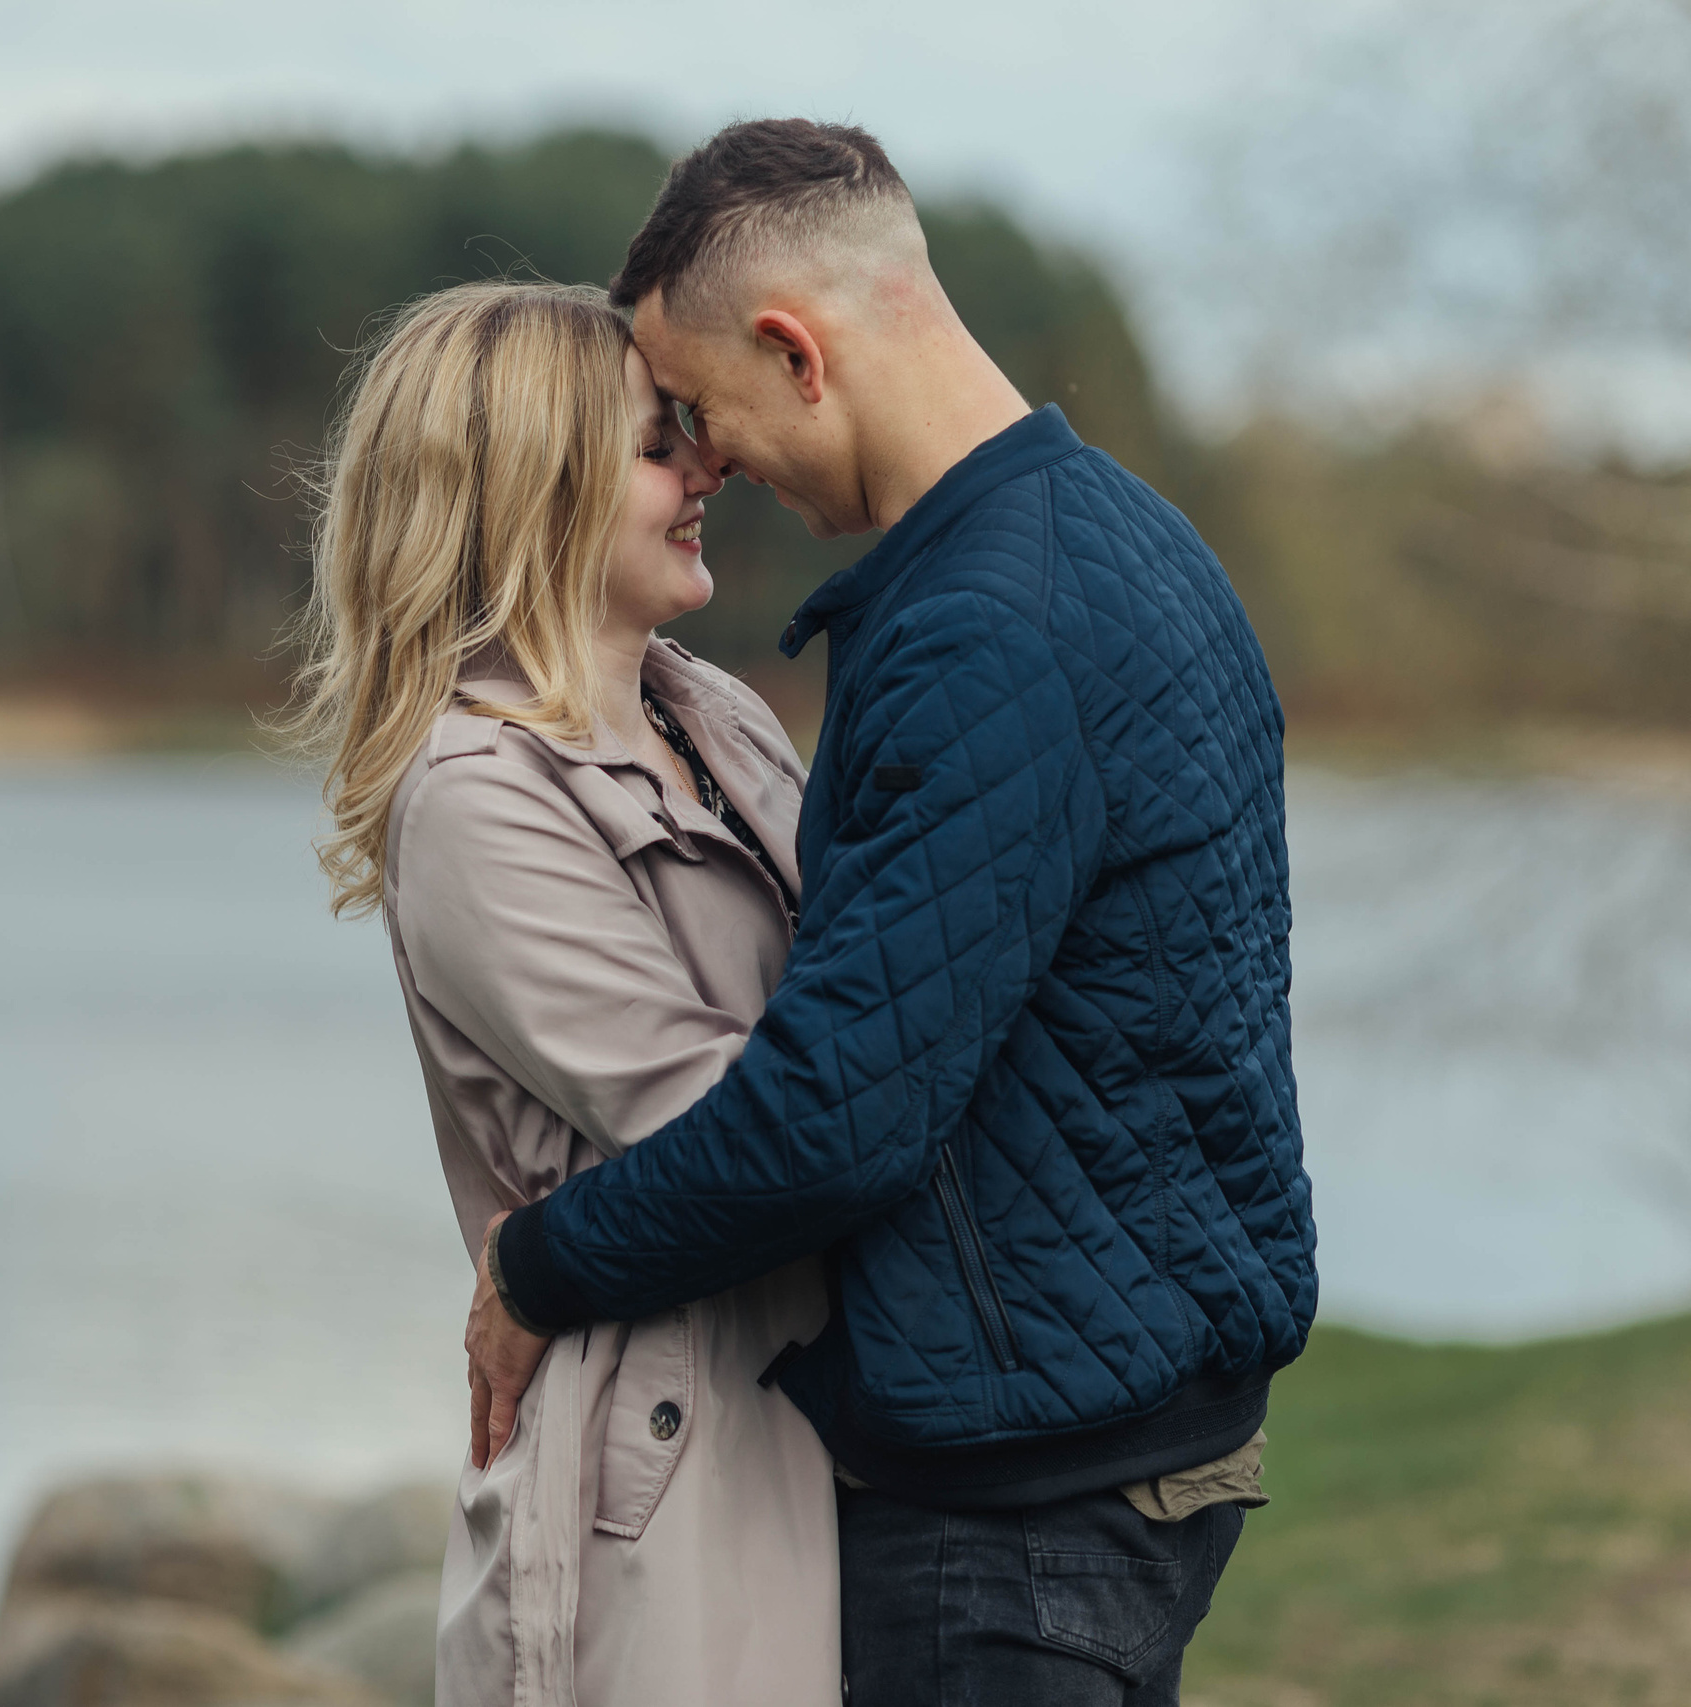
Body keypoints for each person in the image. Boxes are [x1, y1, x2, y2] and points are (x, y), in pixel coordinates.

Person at [463, 120, 1316, 1706]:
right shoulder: (1130, 541)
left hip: (1019, 1515)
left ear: (796, 350)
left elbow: (833, 1118)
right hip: (1130, 1443)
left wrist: (539, 1270)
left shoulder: (984, 632)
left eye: (701, 412)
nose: (709, 464)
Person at [286, 280, 844, 1706]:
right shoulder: (473, 797)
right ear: (531, 484)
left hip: (811, 1422)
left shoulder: (708, 710)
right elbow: (730, 1129)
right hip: (662, 1487)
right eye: (659, 441)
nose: (706, 464)